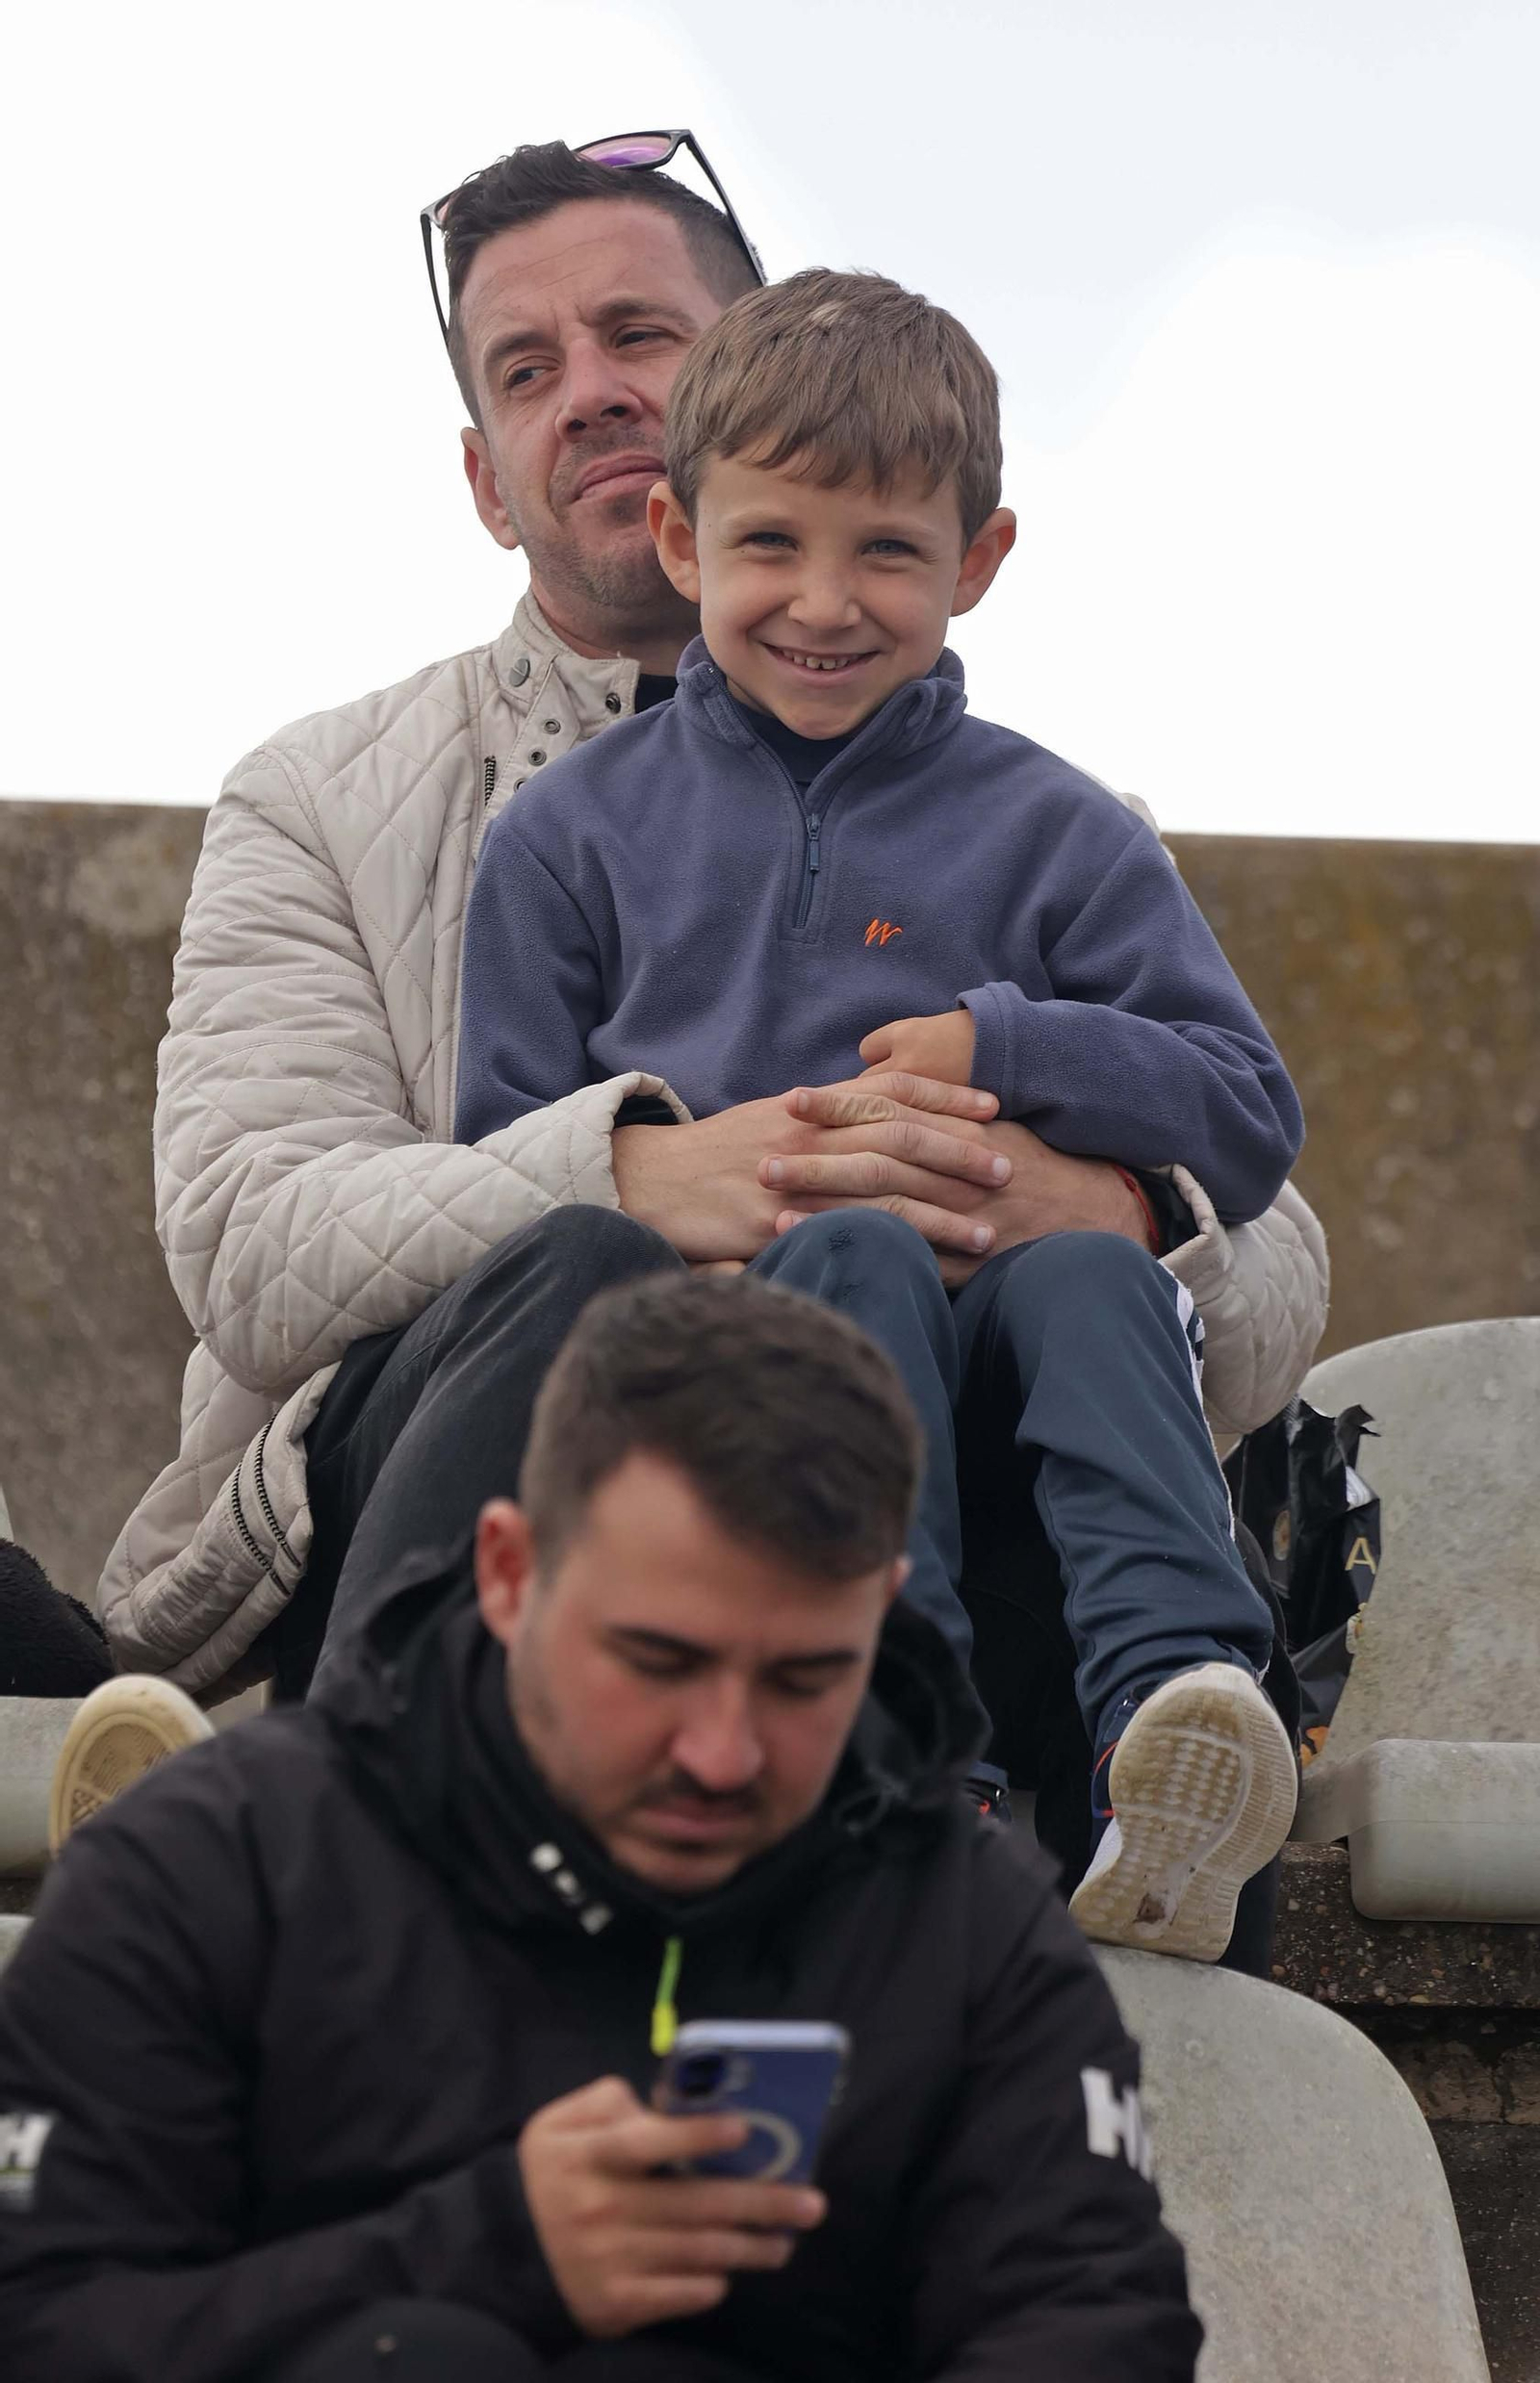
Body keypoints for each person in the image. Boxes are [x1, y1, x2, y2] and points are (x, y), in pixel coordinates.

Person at [19, 141, 1325, 1869]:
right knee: (582, 1261)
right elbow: (254, 1253)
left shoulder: (1047, 816)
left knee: (1070, 1288)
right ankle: (340, 1834)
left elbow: (1273, 1228)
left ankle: (1093, 1775)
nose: (591, 391)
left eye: (641, 332)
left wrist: (1098, 1197)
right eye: (525, 369)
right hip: (516, 1472)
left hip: (971, 1453)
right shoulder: (331, 796)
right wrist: (646, 1176)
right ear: (497, 481)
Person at [451, 269, 1302, 1962]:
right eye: (771, 546)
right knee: (847, 1253)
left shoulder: (1061, 830)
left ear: (976, 561)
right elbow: (514, 1167)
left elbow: (1246, 1112)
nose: (823, 602)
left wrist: (1006, 1043)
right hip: (737, 1359)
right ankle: (901, 1740)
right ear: (684, 545)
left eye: (887, 553)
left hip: (1012, 1361)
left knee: (1097, 1279)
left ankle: (1178, 1726)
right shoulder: (567, 838)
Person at [0, 1274, 1204, 2383]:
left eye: (801, 1679)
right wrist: (484, 2247)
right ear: (512, 1571)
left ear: (881, 1615)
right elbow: (43, 2323)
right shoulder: (212, 1866)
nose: (723, 1753)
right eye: (658, 1660)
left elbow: (1100, 2324)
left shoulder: (965, 1924)